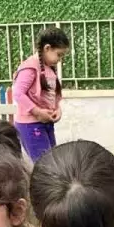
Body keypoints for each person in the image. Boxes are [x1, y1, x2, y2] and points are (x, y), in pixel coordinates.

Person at [13, 27, 71, 162]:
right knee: (45, 166)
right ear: (47, 48)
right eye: (59, 54)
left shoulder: (48, 68)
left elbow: (51, 95)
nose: (60, 59)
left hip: (45, 123)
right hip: (30, 125)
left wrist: (57, 109)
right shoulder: (30, 67)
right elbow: (18, 93)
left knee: (52, 163)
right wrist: (37, 111)